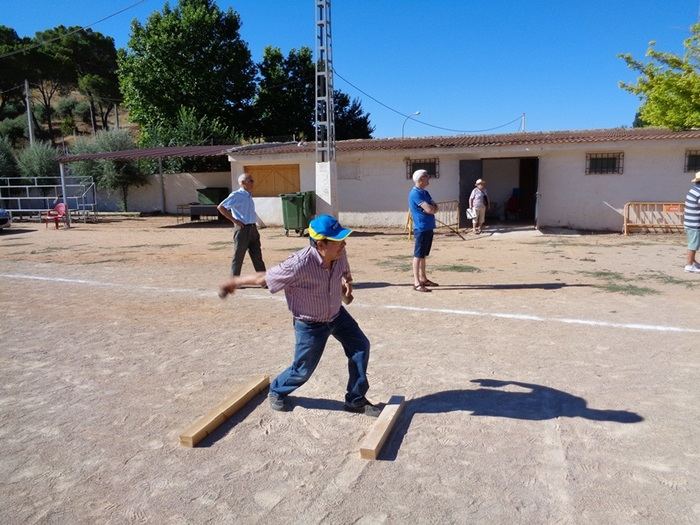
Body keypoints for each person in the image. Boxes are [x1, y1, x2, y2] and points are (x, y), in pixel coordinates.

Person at [218, 214, 381, 417]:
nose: (344, 243)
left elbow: (344, 269)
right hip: (310, 323)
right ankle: (277, 390)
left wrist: (347, 281)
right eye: (338, 240)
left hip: (336, 315)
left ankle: (356, 399)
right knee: (302, 370)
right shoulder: (298, 264)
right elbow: (264, 278)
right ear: (321, 244)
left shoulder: (339, 252)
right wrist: (233, 282)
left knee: (360, 346)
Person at [217, 173, 266, 278]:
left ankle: (263, 280)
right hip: (242, 229)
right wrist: (235, 220)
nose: (253, 183)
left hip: (253, 228)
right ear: (243, 183)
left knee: (257, 255)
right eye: (251, 181)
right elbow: (221, 207)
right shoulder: (236, 195)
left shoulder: (248, 195)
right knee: (238, 256)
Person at [408, 169, 439, 292]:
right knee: (418, 255)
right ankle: (416, 282)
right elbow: (431, 209)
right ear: (420, 179)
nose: (429, 178)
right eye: (426, 176)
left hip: (428, 227)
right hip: (421, 228)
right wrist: (432, 208)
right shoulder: (415, 193)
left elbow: (435, 207)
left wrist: (432, 208)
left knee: (423, 255)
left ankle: (423, 278)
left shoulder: (425, 192)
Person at [683, 171, 700, 273]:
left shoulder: (693, 189)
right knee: (693, 245)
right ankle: (689, 265)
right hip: (695, 224)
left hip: (689, 223)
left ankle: (693, 262)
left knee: (693, 243)